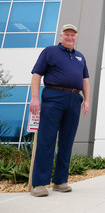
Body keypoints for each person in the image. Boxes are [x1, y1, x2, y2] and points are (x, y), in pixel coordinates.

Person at [29, 24, 90, 197]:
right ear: (61, 35)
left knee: (67, 141)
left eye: (73, 35)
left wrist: (87, 100)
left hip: (74, 99)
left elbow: (85, 79)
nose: (70, 38)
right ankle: (39, 184)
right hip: (54, 96)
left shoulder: (80, 57)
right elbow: (36, 75)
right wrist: (35, 98)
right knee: (46, 140)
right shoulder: (49, 52)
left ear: (76, 37)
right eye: (67, 35)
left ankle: (60, 181)